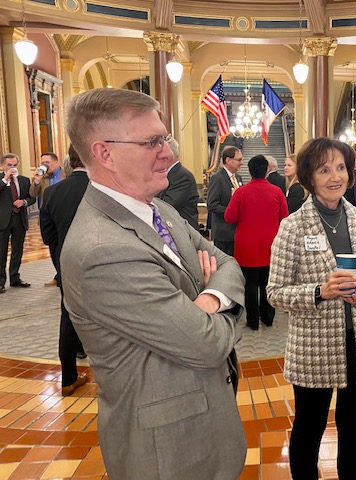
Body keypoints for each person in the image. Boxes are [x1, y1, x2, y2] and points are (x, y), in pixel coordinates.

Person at [61, 88, 247, 480]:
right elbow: (206, 344)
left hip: (205, 423)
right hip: (169, 451)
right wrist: (212, 296)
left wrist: (207, 300)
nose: (168, 152)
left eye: (163, 138)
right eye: (152, 142)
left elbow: (228, 263)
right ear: (104, 153)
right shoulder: (102, 249)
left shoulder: (157, 208)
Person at [267, 137, 356, 479]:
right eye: (324, 170)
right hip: (314, 347)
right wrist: (320, 291)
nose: (335, 176)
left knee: (354, 426)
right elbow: (275, 292)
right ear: (309, 176)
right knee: (309, 427)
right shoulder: (292, 227)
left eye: (341, 167)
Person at [39, 145, 89, 396]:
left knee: (68, 319)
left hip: (67, 267)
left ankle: (68, 378)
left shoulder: (52, 193)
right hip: (105, 266)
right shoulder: (105, 189)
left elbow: (48, 237)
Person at [225, 155, 288, 330]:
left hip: (246, 246)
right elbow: (285, 217)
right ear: (267, 169)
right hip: (270, 245)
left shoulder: (241, 192)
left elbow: (229, 217)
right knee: (267, 282)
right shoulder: (277, 192)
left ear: (249, 171)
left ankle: (252, 321)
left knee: (250, 284)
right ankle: (268, 317)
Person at [0, 154, 35, 293]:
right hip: (2, 221)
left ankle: (15, 278)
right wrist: (5, 179)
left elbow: (32, 197)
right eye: (9, 165)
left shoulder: (23, 180)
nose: (12, 168)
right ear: (3, 165)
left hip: (19, 219)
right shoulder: (1, 180)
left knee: (17, 251)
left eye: (15, 165)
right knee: (1, 252)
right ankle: (0, 282)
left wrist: (24, 202)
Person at [31, 152, 65, 287]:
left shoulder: (66, 174)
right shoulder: (43, 178)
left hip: (64, 216)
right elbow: (32, 194)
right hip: (48, 219)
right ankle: (58, 275)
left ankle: (64, 276)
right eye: (42, 163)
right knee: (52, 248)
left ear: (56, 162)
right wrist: (36, 181)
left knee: (64, 247)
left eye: (47, 162)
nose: (44, 165)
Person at [156, 137, 200, 230]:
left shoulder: (183, 176)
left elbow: (168, 205)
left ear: (168, 155)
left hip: (183, 231)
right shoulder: (168, 174)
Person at [207, 146, 243, 255]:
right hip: (224, 232)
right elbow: (212, 205)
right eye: (239, 160)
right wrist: (230, 213)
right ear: (228, 160)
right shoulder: (217, 178)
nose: (242, 163)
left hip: (237, 231)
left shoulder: (238, 178)